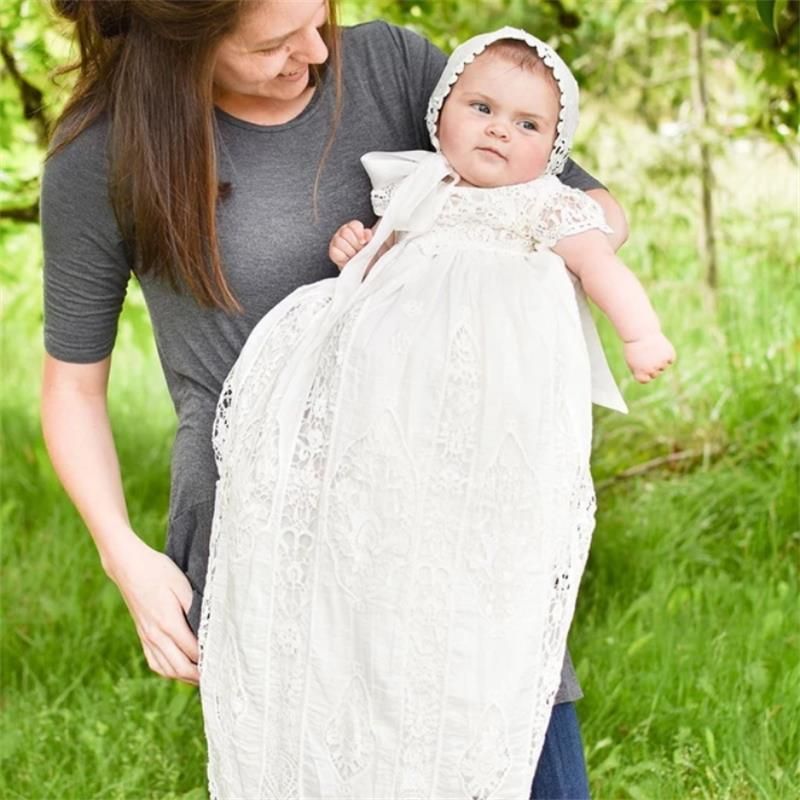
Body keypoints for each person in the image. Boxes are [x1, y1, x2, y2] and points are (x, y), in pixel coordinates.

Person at [39, 2, 629, 797]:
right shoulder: (104, 154)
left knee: (514, 756)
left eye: (319, 18)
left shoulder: (394, 65)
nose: (316, 53)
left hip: (448, 514)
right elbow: (74, 387)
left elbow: (583, 209)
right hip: (271, 526)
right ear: (183, 37)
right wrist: (125, 557)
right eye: (274, 44)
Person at [199, 26, 675, 800]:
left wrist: (641, 333)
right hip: (388, 411)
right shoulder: (417, 187)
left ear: (554, 149)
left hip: (480, 410)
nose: (500, 130)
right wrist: (360, 245)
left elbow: (601, 265)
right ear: (441, 112)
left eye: (529, 125)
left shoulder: (544, 208)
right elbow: (380, 260)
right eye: (482, 107)